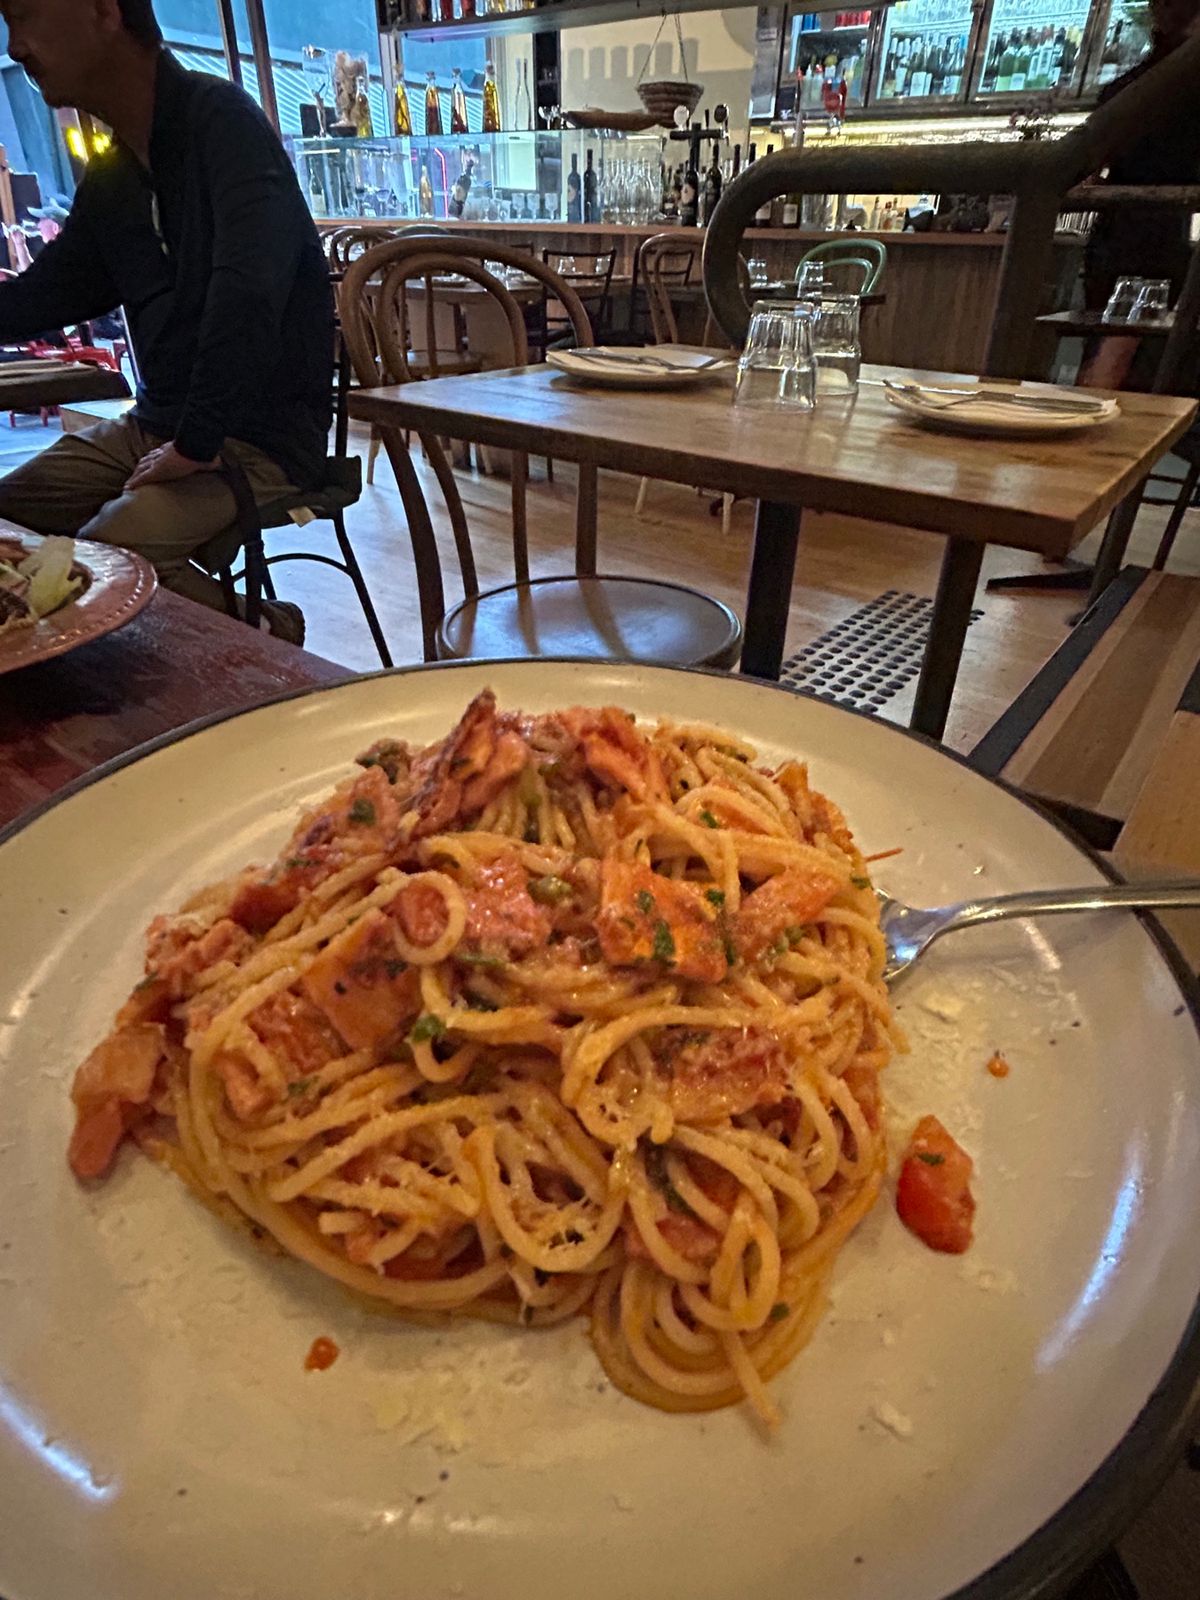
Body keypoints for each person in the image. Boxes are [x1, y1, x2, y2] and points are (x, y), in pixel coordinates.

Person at [0, 0, 336, 640]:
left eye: (25, 15)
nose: (15, 46)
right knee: (9, 518)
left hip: (256, 438)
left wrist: (197, 441)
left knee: (113, 553)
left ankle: (265, 632)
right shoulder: (115, 172)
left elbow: (248, 297)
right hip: (156, 425)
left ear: (104, 11)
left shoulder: (224, 124)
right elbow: (46, 295)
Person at [1080, 0, 1200, 389]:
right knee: (1126, 349)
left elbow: (1095, 150)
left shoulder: (1137, 86)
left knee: (1113, 348)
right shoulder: (1174, 78)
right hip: (1153, 233)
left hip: (1126, 232)